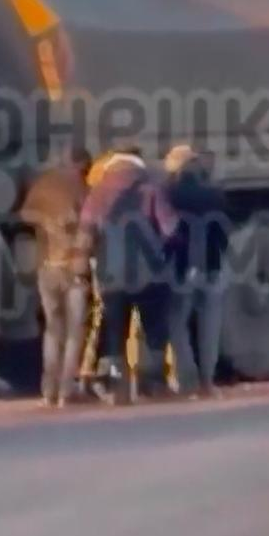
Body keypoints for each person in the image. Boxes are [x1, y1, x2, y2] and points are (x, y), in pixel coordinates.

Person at [79, 146, 179, 402]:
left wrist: (85, 264)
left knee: (114, 330)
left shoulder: (98, 193)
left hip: (110, 275)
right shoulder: (152, 189)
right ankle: (152, 385)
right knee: (153, 329)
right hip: (149, 273)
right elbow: (170, 228)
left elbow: (86, 233)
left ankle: (116, 389)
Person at [20, 146, 93, 407]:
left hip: (46, 265)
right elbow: (90, 223)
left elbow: (25, 215)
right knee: (75, 331)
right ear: (81, 164)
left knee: (53, 329)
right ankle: (66, 391)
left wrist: (46, 224)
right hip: (73, 267)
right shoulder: (81, 187)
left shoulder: (43, 184)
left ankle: (48, 390)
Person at [163, 144, 229, 398]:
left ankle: (186, 381)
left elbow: (166, 234)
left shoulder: (169, 194)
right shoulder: (215, 194)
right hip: (212, 267)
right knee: (209, 327)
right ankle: (207, 383)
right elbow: (224, 234)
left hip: (181, 269)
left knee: (177, 325)